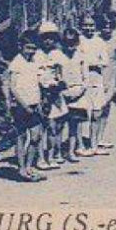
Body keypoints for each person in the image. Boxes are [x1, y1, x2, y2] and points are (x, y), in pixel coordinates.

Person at [3, 28, 48, 181]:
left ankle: (29, 166)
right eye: (28, 48)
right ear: (21, 47)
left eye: (34, 48)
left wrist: (39, 102)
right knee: (21, 137)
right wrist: (24, 105)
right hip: (21, 107)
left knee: (36, 136)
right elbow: (13, 88)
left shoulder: (34, 62)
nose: (31, 51)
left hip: (34, 104)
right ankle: (21, 169)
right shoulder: (16, 64)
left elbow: (36, 84)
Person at [32, 21, 69, 167]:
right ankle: (41, 157)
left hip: (55, 94)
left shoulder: (58, 54)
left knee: (56, 126)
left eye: (52, 38)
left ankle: (53, 154)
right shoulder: (36, 55)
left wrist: (60, 84)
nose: (48, 41)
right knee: (43, 126)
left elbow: (61, 73)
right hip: (41, 94)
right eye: (45, 38)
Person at [79, 14, 113, 156]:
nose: (89, 28)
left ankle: (94, 144)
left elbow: (104, 63)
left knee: (96, 113)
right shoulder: (78, 41)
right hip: (81, 79)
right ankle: (80, 145)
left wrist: (104, 83)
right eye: (86, 25)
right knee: (80, 113)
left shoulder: (100, 42)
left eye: (91, 25)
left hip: (95, 78)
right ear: (81, 26)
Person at [58, 22, 93, 159]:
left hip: (78, 93)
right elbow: (57, 75)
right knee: (60, 124)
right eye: (67, 44)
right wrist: (62, 91)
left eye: (73, 44)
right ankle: (58, 152)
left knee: (74, 124)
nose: (70, 47)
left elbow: (86, 77)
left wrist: (80, 90)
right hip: (64, 93)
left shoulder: (81, 56)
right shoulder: (59, 56)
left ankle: (72, 151)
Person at [96, 12, 116, 151]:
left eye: (109, 26)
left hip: (110, 78)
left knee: (106, 109)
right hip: (97, 77)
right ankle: (92, 138)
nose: (107, 29)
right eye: (104, 26)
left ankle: (100, 137)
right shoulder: (95, 41)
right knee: (95, 110)